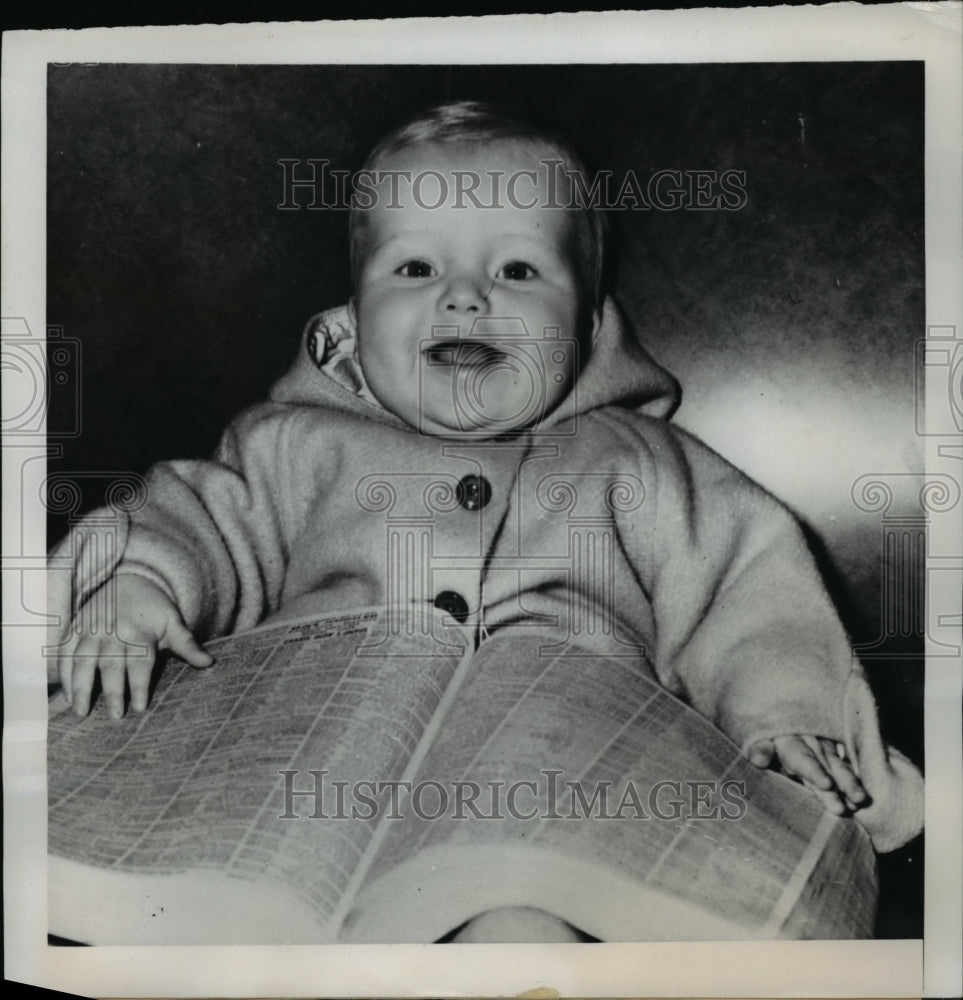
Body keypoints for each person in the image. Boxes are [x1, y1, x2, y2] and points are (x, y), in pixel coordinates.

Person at [48, 102, 922, 897]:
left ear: (586, 329)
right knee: (202, 899)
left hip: (561, 782)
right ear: (351, 321)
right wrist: (141, 586)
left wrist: (786, 717)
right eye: (416, 265)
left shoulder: (638, 464)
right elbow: (195, 519)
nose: (465, 294)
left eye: (515, 269)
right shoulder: (291, 445)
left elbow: (749, 597)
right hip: (301, 768)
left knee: (523, 914)